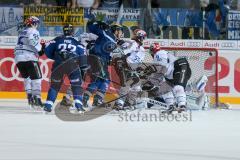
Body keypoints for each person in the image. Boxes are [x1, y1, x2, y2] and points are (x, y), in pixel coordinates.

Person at [43, 24, 87, 112]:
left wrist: (56, 57)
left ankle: (48, 105)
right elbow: (83, 56)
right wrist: (83, 67)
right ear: (72, 32)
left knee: (54, 86)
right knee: (76, 85)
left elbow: (47, 50)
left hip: (58, 64)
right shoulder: (77, 43)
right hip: (72, 64)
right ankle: (78, 105)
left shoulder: (57, 40)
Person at [82, 21, 123, 108]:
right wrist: (99, 23)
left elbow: (110, 53)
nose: (122, 33)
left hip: (98, 61)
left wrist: (118, 45)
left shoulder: (113, 40)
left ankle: (87, 98)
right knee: (105, 80)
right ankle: (97, 99)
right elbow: (90, 25)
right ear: (116, 30)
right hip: (98, 60)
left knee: (98, 80)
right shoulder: (106, 33)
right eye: (120, 31)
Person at [145, 43, 192, 113]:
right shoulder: (158, 56)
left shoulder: (159, 53)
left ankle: (182, 106)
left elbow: (161, 69)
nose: (151, 53)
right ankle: (171, 106)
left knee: (178, 87)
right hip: (172, 73)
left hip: (180, 66)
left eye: (151, 51)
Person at [113, 29, 147, 110]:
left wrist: (140, 69)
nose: (143, 39)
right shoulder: (132, 43)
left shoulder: (142, 49)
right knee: (128, 83)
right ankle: (119, 103)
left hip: (130, 68)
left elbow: (138, 62)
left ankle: (128, 103)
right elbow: (122, 50)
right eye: (143, 37)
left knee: (137, 85)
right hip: (124, 65)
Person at [14, 16, 44, 108]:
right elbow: (32, 41)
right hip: (29, 56)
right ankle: (37, 99)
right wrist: (40, 48)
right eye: (36, 23)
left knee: (27, 78)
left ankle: (29, 97)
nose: (37, 25)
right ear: (33, 23)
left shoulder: (21, 32)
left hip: (18, 57)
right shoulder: (33, 31)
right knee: (37, 79)